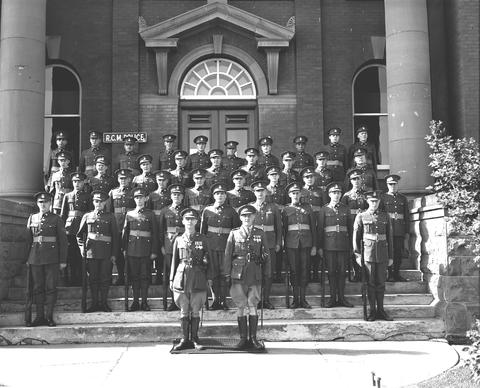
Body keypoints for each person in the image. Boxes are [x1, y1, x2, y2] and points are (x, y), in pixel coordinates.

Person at [223, 204, 270, 350]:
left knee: (253, 303)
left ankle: (253, 338)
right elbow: (227, 255)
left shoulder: (260, 233)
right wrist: (227, 273)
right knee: (241, 304)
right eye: (244, 216)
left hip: (255, 272)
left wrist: (267, 272)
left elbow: (267, 255)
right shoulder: (234, 233)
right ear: (240, 217)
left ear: (254, 217)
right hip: (238, 273)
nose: (247, 218)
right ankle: (243, 339)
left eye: (249, 215)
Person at [170, 208, 212, 351]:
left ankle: (194, 338)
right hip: (182, 276)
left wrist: (209, 278)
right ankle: (184, 339)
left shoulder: (203, 239)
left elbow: (209, 260)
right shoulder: (178, 239)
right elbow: (174, 261)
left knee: (195, 309)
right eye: (187, 219)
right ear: (183, 221)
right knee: (183, 309)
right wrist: (171, 279)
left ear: (196, 221)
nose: (189, 222)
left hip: (198, 276)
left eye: (192, 219)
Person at [26, 192, 68, 327]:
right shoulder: (32, 218)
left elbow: (63, 241)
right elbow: (28, 240)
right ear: (37, 204)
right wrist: (27, 258)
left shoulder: (57, 219)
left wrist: (62, 260)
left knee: (50, 288)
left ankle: (49, 317)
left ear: (50, 204)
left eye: (46, 202)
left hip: (52, 258)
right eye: (40, 202)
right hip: (35, 258)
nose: (43, 205)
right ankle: (39, 317)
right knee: (38, 288)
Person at [353, 190, 394, 321]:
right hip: (368, 254)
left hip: (382, 253)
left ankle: (381, 310)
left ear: (379, 202)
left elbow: (390, 237)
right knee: (370, 283)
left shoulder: (385, 216)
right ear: (367, 201)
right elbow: (356, 237)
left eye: (376, 201)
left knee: (381, 283)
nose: (374, 204)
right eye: (372, 201)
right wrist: (358, 255)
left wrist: (391, 256)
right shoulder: (361, 216)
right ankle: (372, 310)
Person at [76, 191, 119, 312]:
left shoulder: (110, 217)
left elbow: (115, 237)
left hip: (106, 253)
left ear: (105, 203)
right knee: (93, 279)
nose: (98, 203)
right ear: (93, 202)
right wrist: (82, 249)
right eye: (96, 201)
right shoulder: (87, 216)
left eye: (101, 201)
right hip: (91, 252)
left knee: (105, 278)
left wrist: (114, 254)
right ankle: (95, 303)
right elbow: (79, 236)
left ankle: (104, 303)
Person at [200, 183, 240, 310]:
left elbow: (235, 231)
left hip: (226, 247)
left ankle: (223, 301)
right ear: (213, 196)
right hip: (211, 247)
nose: (220, 196)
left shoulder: (232, 211)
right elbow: (203, 232)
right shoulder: (207, 211)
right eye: (217, 194)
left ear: (226, 196)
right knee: (213, 274)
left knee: (224, 274)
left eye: (222, 194)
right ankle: (215, 300)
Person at [122, 187, 159, 311]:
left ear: (146, 199)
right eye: (137, 198)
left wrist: (154, 251)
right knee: (134, 277)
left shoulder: (150, 214)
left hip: (145, 250)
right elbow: (125, 233)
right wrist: (124, 249)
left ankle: (144, 302)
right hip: (132, 250)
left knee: (145, 276)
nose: (139, 200)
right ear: (134, 199)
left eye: (141, 197)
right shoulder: (129, 214)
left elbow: (155, 233)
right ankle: (135, 302)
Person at [318, 183, 354, 308]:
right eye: (334, 193)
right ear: (329, 194)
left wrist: (351, 247)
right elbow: (320, 230)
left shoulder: (346, 209)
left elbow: (350, 229)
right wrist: (320, 247)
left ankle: (342, 298)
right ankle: (333, 298)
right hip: (329, 246)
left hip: (343, 245)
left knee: (343, 273)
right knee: (332, 272)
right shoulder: (324, 209)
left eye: (338, 193)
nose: (336, 195)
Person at [282, 182, 317, 308]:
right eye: (293, 193)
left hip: (306, 244)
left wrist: (314, 246)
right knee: (294, 271)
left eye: (297, 193)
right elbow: (284, 230)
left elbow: (313, 228)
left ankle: (303, 299)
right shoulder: (286, 210)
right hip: (291, 244)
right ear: (289, 195)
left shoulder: (308, 208)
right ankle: (295, 299)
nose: (295, 195)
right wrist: (285, 246)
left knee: (304, 271)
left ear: (301, 194)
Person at [250, 181, 282, 309]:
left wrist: (279, 242)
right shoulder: (250, 208)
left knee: (268, 273)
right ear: (254, 193)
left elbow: (279, 227)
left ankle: (266, 299)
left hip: (270, 244)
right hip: (255, 244)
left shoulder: (273, 207)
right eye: (258, 191)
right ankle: (256, 299)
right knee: (256, 273)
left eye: (262, 191)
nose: (260, 193)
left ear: (266, 193)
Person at [60, 171, 92, 286]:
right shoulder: (67, 196)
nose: (76, 183)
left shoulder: (88, 196)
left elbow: (89, 213)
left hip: (82, 229)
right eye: (74, 181)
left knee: (81, 255)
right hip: (70, 229)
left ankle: (81, 279)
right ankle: (70, 279)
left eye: (79, 181)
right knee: (71, 254)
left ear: (83, 182)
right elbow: (63, 214)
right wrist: (62, 229)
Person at [158, 184, 187, 311]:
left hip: (183, 246)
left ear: (182, 197)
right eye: (174, 194)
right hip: (169, 246)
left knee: (183, 273)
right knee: (171, 274)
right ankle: (172, 301)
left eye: (179, 195)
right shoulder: (165, 211)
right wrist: (161, 246)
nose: (176, 197)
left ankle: (183, 301)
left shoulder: (187, 211)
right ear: (171, 196)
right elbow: (160, 230)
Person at [108, 168, 135, 286]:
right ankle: (120, 276)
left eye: (126, 178)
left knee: (130, 252)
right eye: (121, 178)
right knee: (118, 253)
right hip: (118, 226)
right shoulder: (113, 192)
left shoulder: (134, 192)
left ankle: (130, 275)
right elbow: (109, 211)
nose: (123, 180)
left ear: (130, 179)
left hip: (130, 226)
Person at [341, 168, 368, 282]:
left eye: (358, 178)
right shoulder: (346, 196)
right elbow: (342, 213)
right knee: (354, 248)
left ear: (362, 180)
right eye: (353, 179)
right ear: (350, 181)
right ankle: (356, 272)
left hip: (365, 225)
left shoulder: (366, 195)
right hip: (352, 226)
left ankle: (366, 273)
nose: (356, 181)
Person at [381, 174, 409, 282]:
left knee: (398, 253)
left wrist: (406, 231)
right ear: (387, 185)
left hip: (399, 230)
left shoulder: (403, 198)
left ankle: (396, 273)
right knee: (388, 252)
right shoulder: (383, 198)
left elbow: (406, 216)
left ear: (397, 185)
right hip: (387, 229)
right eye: (390, 184)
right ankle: (389, 274)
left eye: (394, 184)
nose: (392, 186)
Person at [300, 166, 324, 281]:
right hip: (305, 224)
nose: (309, 179)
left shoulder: (320, 191)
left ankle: (315, 273)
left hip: (317, 223)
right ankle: (306, 273)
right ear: (303, 179)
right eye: (307, 177)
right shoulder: (300, 191)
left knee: (317, 246)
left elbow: (324, 208)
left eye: (311, 177)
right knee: (306, 249)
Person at [148, 170, 173, 284]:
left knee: (167, 251)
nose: (161, 182)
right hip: (155, 225)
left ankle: (167, 275)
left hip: (167, 226)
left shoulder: (171, 195)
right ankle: (158, 275)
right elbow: (149, 211)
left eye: (164, 180)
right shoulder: (152, 195)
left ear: (167, 181)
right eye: (159, 180)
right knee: (156, 250)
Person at [47, 150, 73, 215]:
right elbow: (52, 192)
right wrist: (50, 205)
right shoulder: (55, 175)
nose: (63, 162)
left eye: (65, 160)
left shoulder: (72, 174)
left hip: (68, 200)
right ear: (58, 161)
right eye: (61, 160)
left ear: (68, 161)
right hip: (57, 202)